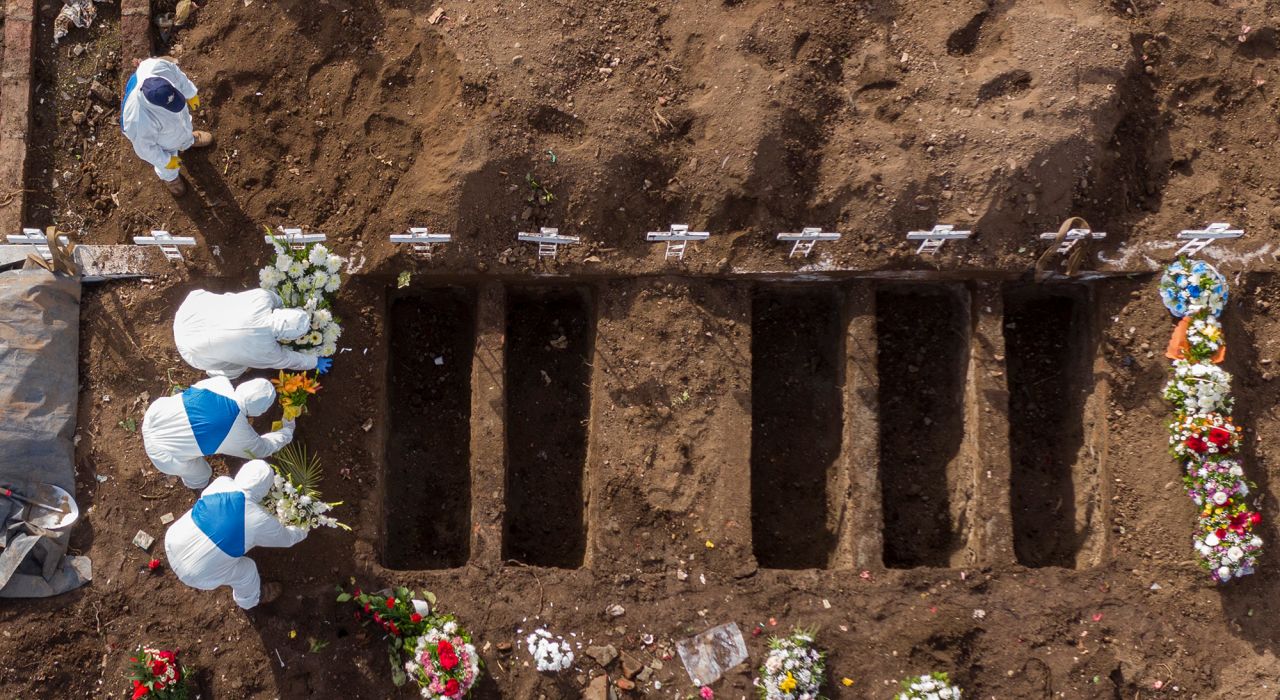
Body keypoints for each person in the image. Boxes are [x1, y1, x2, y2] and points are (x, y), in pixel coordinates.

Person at [164, 460, 306, 609]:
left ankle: (216, 563)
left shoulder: (221, 483)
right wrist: (303, 527)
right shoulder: (261, 520)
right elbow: (287, 539)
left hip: (173, 543)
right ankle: (250, 600)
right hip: (200, 575)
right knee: (247, 570)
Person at [141, 376, 296, 490]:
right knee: (202, 475)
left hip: (153, 417)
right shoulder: (237, 431)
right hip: (163, 455)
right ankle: (194, 484)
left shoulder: (219, 383)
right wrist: (287, 431)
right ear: (260, 411)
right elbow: (261, 449)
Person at [173, 288, 334, 379]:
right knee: (237, 365)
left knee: (229, 300)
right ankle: (217, 375)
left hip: (190, 310)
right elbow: (288, 360)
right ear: (286, 338)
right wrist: (313, 362)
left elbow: (276, 299)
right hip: (191, 350)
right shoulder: (265, 351)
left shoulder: (262, 298)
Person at [120, 56, 212, 196]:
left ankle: (188, 140)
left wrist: (190, 93)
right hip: (160, 140)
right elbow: (146, 149)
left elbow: (177, 74)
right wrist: (166, 161)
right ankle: (171, 178)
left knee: (183, 123)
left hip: (174, 122)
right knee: (165, 160)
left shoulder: (158, 67)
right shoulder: (138, 120)